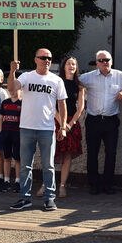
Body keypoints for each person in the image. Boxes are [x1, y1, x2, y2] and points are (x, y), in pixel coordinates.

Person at [7, 48, 67, 211]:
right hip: (27, 127)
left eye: (49, 58)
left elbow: (62, 104)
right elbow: (12, 89)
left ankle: (49, 198)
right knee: (26, 165)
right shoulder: (26, 76)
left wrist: (62, 126)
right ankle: (24, 198)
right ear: (35, 59)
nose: (47, 60)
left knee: (48, 165)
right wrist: (12, 71)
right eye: (43, 57)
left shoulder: (56, 80)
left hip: (47, 129)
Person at [79, 50, 122, 195]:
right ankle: (93, 184)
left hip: (111, 121)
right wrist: (82, 98)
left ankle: (108, 184)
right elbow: (74, 83)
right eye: (101, 60)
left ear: (111, 61)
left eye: (107, 60)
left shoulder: (119, 76)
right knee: (92, 153)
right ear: (96, 63)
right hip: (93, 120)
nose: (105, 63)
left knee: (111, 153)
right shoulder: (88, 77)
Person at [48, 56, 85, 198]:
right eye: (69, 63)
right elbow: (52, 104)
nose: (71, 66)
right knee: (51, 153)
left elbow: (80, 108)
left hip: (71, 123)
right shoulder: (57, 82)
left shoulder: (79, 85)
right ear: (64, 66)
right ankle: (46, 184)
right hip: (56, 120)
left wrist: (69, 124)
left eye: (74, 64)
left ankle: (62, 185)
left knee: (68, 154)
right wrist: (61, 123)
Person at [0, 86, 22, 193]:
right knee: (7, 157)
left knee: (17, 158)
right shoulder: (5, 102)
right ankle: (6, 180)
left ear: (20, 90)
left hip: (17, 134)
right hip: (6, 134)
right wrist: (0, 130)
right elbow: (0, 117)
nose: (12, 91)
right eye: (10, 89)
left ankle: (17, 181)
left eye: (15, 89)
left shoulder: (23, 103)